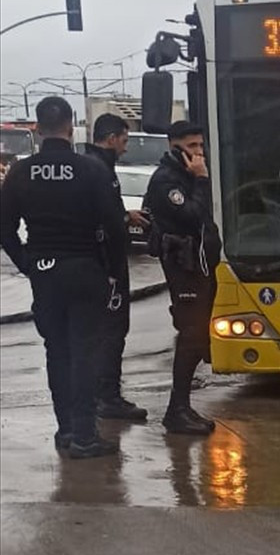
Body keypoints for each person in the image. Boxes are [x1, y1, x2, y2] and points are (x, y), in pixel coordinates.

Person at [0, 97, 126, 458]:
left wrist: (27, 263)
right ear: (71, 128)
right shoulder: (89, 170)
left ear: (38, 130)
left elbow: (5, 229)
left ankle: (67, 429)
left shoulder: (21, 173)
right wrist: (113, 273)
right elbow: (114, 227)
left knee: (57, 352)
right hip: (85, 269)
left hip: (45, 272)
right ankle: (86, 436)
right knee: (84, 352)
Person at [144, 121, 221, 435]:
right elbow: (192, 215)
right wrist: (201, 180)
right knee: (190, 336)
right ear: (174, 146)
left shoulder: (185, 176)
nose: (199, 153)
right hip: (184, 265)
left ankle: (182, 407)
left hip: (198, 264)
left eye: (201, 147)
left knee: (196, 336)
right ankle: (177, 410)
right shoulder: (168, 181)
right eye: (192, 147)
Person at [85, 113, 148, 423]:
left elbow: (102, 212)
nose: (125, 148)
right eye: (123, 141)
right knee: (112, 331)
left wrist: (126, 216)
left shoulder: (89, 164)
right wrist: (112, 269)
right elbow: (106, 221)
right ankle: (107, 398)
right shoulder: (101, 169)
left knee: (98, 332)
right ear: (110, 139)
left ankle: (98, 394)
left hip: (92, 263)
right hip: (107, 267)